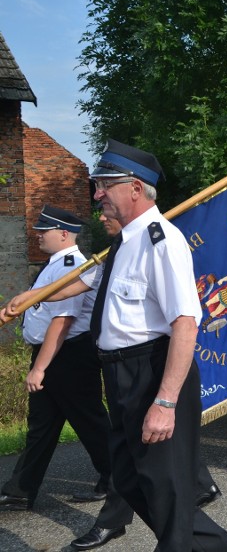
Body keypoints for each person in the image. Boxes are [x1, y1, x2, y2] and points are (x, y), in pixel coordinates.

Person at [6, 141, 227, 551]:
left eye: (104, 186)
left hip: (151, 371)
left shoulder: (161, 241)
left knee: (163, 483)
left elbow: (185, 324)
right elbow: (84, 282)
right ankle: (214, 544)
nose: (97, 195)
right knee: (130, 479)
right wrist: (32, 296)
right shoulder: (124, 242)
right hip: (119, 374)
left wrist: (165, 403)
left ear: (134, 188)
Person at [0, 207, 115, 519]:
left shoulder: (73, 266)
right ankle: (19, 492)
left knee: (89, 421)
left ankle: (119, 481)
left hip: (69, 355)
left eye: (44, 230)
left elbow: (63, 320)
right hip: (53, 354)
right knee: (42, 425)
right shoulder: (56, 265)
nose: (38, 234)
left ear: (64, 234)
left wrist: (40, 368)